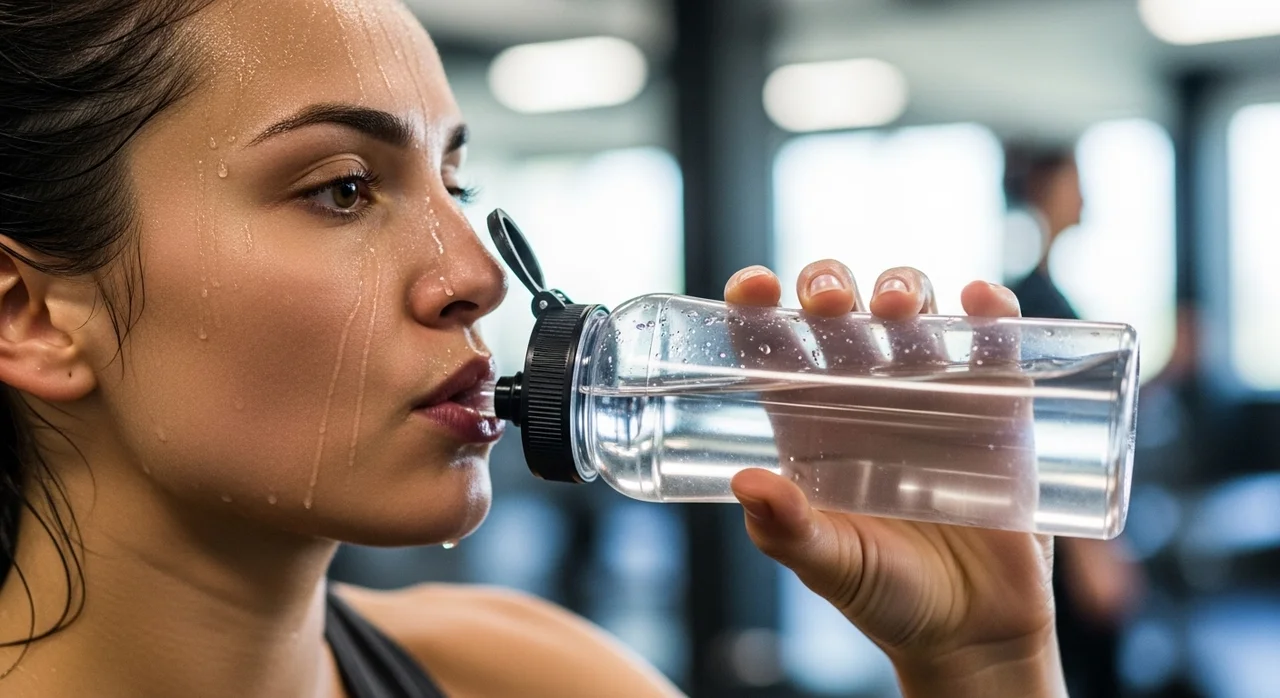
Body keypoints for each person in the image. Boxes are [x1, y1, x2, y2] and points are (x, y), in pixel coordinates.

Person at [0, 1, 1065, 696]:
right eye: (343, 189)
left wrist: (979, 662)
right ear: (29, 313)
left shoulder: (528, 675)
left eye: (453, 184)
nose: (477, 274)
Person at [1004, 142, 1146, 697]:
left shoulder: (1048, 292)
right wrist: (1092, 550)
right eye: (1075, 182)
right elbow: (1043, 432)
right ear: (1045, 192)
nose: (1085, 196)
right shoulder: (1032, 299)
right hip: (1066, 530)